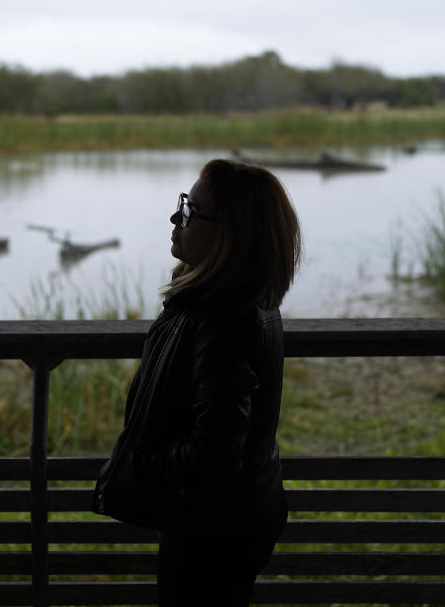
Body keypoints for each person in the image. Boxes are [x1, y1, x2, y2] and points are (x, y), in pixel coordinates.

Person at [95, 158, 302, 606]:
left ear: (229, 234)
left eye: (190, 211)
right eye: (181, 204)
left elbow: (215, 452)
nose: (175, 217)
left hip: (213, 531)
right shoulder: (229, 302)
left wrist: (139, 470)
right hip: (231, 519)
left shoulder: (224, 318)